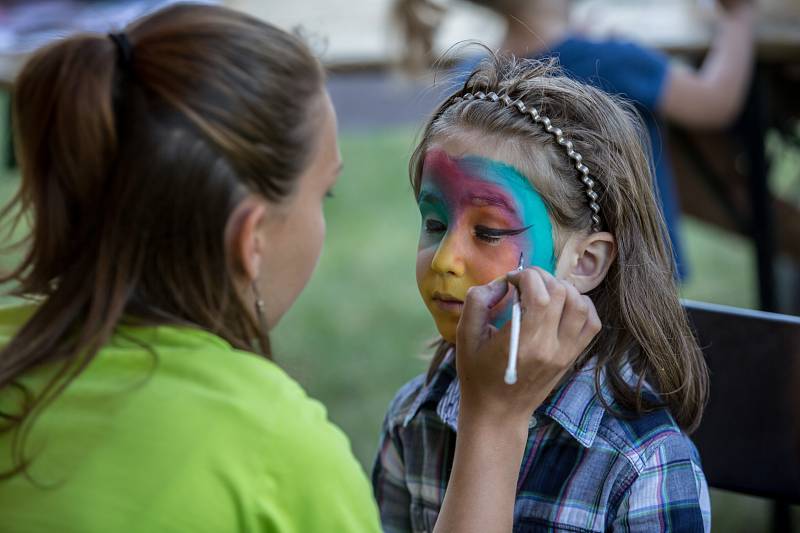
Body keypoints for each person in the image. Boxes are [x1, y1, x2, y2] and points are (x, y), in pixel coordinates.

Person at [0, 4, 600, 532]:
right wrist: (493, 426)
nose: (445, 261)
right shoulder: (275, 455)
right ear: (251, 238)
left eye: (490, 231)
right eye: (325, 195)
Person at [373, 55, 711, 531]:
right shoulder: (414, 421)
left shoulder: (642, 466)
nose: (445, 260)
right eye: (434, 223)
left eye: (489, 232)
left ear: (586, 262)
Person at [394, 0, 756, 279]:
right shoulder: (611, 60)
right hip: (630, 275)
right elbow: (715, 101)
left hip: (493, 275)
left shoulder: (468, 77)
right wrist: (738, 17)